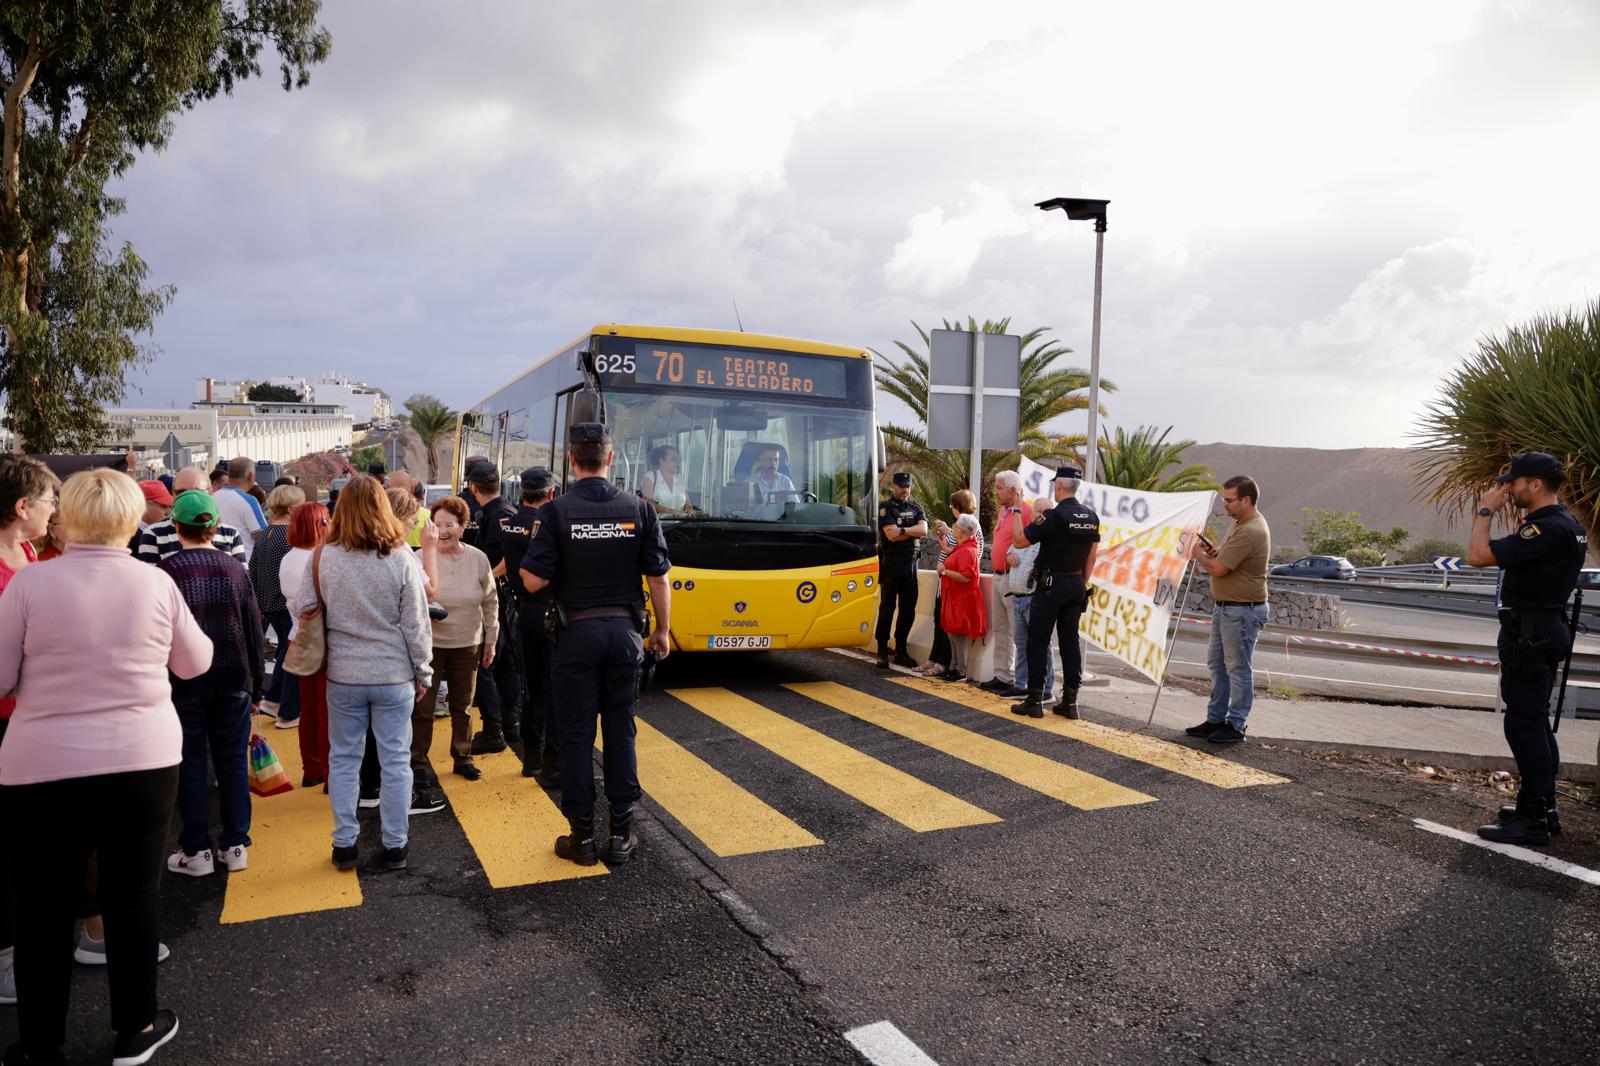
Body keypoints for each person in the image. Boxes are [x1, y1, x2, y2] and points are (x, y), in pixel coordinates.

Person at [0, 468, 211, 1066]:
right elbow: (195, 663)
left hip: (41, 763)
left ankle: (40, 1045)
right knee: (133, 894)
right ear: (129, 519)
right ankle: (136, 1029)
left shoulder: (31, 582)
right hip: (141, 758)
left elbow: (0, 677)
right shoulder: (155, 582)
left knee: (43, 904)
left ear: (68, 516)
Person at [521, 423, 671, 866]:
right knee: (621, 731)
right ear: (610, 458)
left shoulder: (555, 512)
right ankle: (621, 835)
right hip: (625, 636)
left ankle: (582, 838)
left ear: (572, 461)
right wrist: (662, 632)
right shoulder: (640, 509)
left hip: (575, 639)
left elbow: (532, 581)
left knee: (576, 735)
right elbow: (659, 579)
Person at [286, 475, 431, 874]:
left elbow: (302, 606)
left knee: (345, 760)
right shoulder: (400, 557)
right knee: (396, 761)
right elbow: (416, 623)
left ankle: (345, 844)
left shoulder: (323, 556)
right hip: (393, 674)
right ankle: (395, 846)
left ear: (341, 510)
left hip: (343, 675)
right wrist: (423, 671)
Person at [1466, 452, 1589, 845]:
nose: (1508, 489)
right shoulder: (1568, 524)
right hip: (1543, 630)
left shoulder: (1546, 529)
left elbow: (1477, 556)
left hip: (1530, 636)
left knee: (1523, 724)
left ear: (1535, 484)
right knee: (1535, 722)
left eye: (1513, 482)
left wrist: (1486, 511)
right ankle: (1542, 807)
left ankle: (1532, 819)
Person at [159, 491, 264, 878]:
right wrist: (257, 687)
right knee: (232, 762)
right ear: (216, 526)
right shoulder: (235, 569)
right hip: (234, 678)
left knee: (190, 764)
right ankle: (236, 845)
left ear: (176, 527)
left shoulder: (166, 572)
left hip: (182, 682)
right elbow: (253, 631)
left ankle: (196, 850)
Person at [0, 455, 56, 1006]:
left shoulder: (28, 553)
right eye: (47, 501)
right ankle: (5, 958)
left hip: (30, 716)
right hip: (5, 720)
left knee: (32, 842)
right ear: (22, 507)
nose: (52, 511)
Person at [408, 495, 496, 815]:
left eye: (450, 524)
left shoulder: (478, 558)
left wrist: (491, 639)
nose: (442, 531)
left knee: (463, 705)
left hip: (467, 641)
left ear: (463, 526)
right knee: (423, 708)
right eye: (437, 524)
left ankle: (463, 757)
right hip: (429, 644)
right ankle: (418, 762)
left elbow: (490, 601)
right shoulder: (419, 556)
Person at [1184, 475, 1272, 745]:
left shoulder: (1251, 530)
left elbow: (1220, 568)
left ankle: (1236, 724)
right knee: (1217, 664)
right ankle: (1216, 718)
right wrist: (1214, 551)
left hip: (1242, 610)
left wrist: (1197, 553)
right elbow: (1225, 557)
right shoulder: (1239, 522)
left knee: (1237, 668)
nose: (1224, 505)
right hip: (1228, 608)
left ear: (1246, 500)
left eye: (1229, 500)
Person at [1009, 467, 1100, 720]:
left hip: (1050, 586)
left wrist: (1017, 509)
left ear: (1059, 485)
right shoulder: (1092, 516)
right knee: (1070, 642)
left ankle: (1034, 700)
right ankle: (1070, 703)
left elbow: (1018, 541)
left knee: (1038, 641)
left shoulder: (1053, 516)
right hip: (1076, 585)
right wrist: (1079, 584)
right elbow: (1091, 558)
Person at [498, 466, 561, 783]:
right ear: (550, 493)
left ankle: (531, 757)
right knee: (555, 689)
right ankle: (552, 762)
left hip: (522, 613)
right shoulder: (547, 524)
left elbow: (504, 566)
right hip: (550, 614)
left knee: (533, 689)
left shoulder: (510, 524)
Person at [463, 463, 520, 754]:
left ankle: (494, 730)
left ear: (473, 488)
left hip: (495, 599)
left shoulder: (500, 515)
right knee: (505, 662)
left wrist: (485, 579)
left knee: (486, 663)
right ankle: (509, 723)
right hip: (500, 598)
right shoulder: (500, 511)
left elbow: (511, 557)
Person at [279, 501, 332, 788]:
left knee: (309, 709)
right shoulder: (320, 559)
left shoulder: (289, 558)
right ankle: (329, 772)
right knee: (326, 711)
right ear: (320, 525)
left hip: (297, 638)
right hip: (322, 642)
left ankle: (311, 768)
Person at [250, 484, 306, 728]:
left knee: (285, 649)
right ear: (293, 508)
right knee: (290, 653)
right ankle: (283, 704)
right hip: (285, 602)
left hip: (267, 602)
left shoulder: (265, 535)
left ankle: (273, 699)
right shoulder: (290, 536)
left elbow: (253, 570)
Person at [977, 471, 1033, 694]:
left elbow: (1033, 542)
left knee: (1017, 632)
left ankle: (1020, 680)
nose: (995, 492)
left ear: (1013, 490)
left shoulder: (1026, 512)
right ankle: (1002, 675)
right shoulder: (1002, 511)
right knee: (1000, 629)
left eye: (999, 488)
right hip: (998, 576)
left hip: (1014, 579)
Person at [999, 497, 1056, 702]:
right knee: (1021, 645)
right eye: (1038, 511)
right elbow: (1009, 551)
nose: (1041, 515)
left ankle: (1047, 689)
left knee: (1042, 645)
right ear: (1031, 513)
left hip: (1035, 599)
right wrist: (1009, 558)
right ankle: (1020, 685)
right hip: (1017, 598)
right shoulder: (1025, 534)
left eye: (1045, 512)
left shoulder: (1049, 538)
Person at [921, 489, 983, 676]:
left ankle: (952, 666)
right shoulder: (961, 533)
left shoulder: (969, 533)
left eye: (952, 505)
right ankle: (944, 663)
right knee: (944, 625)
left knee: (955, 630)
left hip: (957, 590)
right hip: (948, 587)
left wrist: (945, 570)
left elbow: (965, 569)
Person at [137, 467, 247, 563]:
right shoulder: (153, 534)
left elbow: (240, 577)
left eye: (197, 492)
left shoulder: (230, 534)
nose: (189, 498)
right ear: (173, 494)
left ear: (210, 493)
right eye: (182, 492)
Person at [875, 472, 928, 669]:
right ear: (894, 487)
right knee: (887, 608)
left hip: (911, 565)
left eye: (907, 486)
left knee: (908, 609)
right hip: (892, 564)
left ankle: (900, 650)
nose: (905, 490)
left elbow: (924, 531)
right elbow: (891, 536)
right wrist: (912, 531)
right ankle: (882, 650)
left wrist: (904, 530)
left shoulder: (916, 507)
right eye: (901, 486)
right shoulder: (886, 508)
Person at [936, 514, 986, 682]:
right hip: (955, 596)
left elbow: (965, 577)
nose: (953, 529)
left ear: (963, 531)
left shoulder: (967, 550)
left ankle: (960, 670)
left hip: (961, 597)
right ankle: (954, 667)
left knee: (957, 634)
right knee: (952, 633)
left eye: (956, 527)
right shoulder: (963, 547)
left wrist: (944, 571)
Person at [212, 457, 267, 562]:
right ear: (251, 476)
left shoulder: (212, 498)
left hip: (217, 560)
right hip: (243, 561)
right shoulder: (249, 501)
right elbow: (262, 536)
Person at [641, 445, 689, 513]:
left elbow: (687, 502)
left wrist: (689, 509)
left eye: (677, 459)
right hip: (659, 520)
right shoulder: (650, 477)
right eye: (673, 459)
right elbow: (648, 503)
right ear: (661, 461)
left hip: (681, 519)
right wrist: (670, 511)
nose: (677, 462)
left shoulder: (680, 479)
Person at [134, 480, 175, 548]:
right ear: (143, 505)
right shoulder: (127, 538)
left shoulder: (168, 531)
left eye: (170, 506)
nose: (168, 512)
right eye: (163, 506)